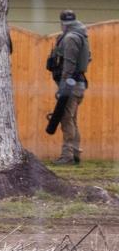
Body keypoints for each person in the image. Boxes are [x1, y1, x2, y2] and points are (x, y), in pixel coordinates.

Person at [46, 9, 92, 165]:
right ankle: (76, 154)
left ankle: (67, 157)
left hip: (70, 85)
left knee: (66, 120)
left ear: (63, 23)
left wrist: (63, 86)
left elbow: (69, 64)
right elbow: (88, 57)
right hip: (77, 84)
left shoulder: (71, 38)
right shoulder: (81, 35)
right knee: (72, 119)